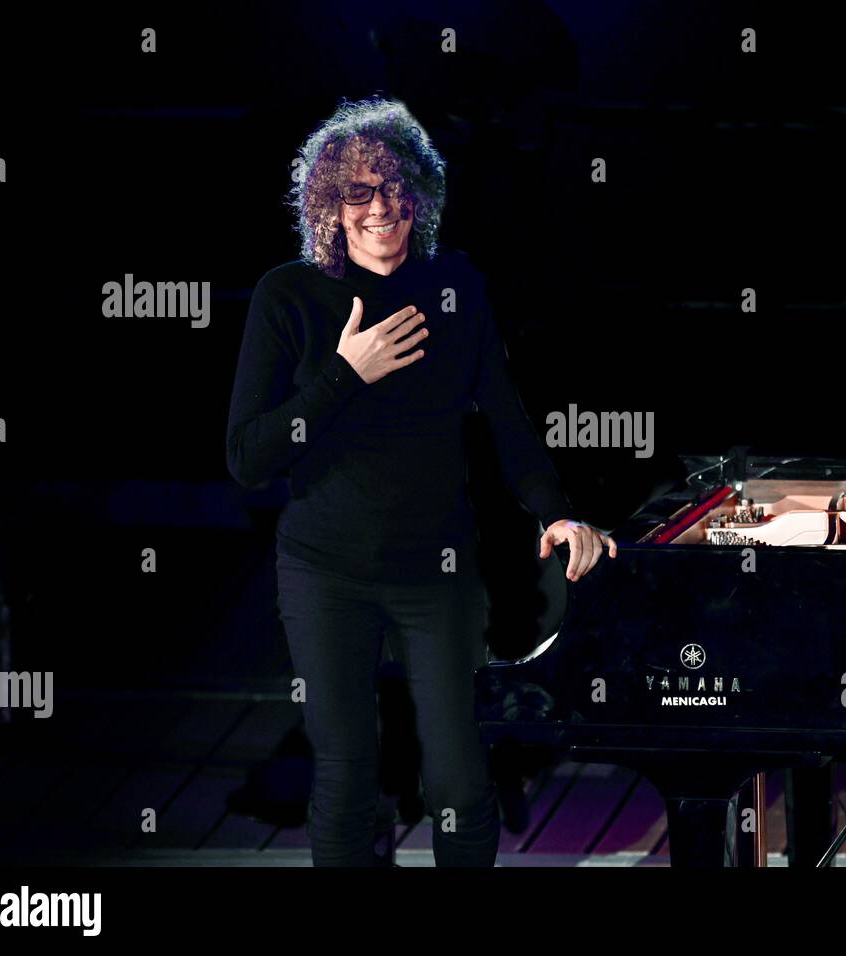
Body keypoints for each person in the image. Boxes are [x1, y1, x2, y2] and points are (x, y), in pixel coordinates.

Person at [225, 96, 616, 866]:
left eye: (396, 189)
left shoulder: (456, 286)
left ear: (421, 195)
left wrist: (556, 513)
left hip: (435, 567)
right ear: (329, 206)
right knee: (344, 779)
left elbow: (506, 419)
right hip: (324, 571)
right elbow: (249, 457)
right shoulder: (289, 297)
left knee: (461, 781)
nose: (381, 209)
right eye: (359, 193)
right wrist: (346, 372)